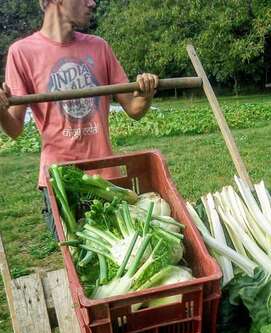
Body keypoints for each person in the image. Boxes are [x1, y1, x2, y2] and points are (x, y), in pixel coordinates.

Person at [0, 0, 159, 237]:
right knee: (78, 260)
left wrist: (145, 95)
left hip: (106, 177)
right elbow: (14, 128)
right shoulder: (22, 52)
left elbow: (134, 109)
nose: (92, 3)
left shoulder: (99, 47)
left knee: (123, 253)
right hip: (61, 182)